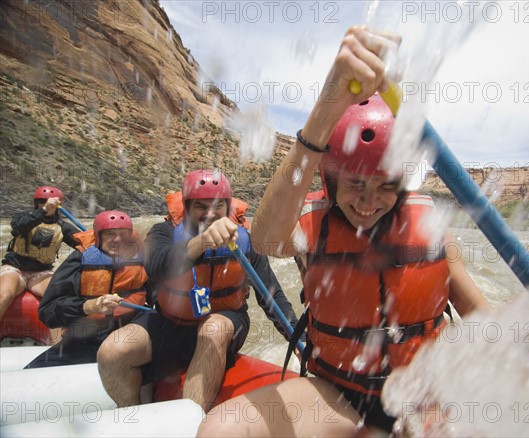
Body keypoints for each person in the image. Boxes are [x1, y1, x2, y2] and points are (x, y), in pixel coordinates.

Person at [197, 27, 492, 437]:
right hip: (335, 392)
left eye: (385, 185)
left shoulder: (432, 229)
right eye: (355, 183)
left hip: (422, 392)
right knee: (221, 429)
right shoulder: (311, 226)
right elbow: (264, 240)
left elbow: (481, 316)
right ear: (331, 180)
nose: (369, 202)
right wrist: (327, 106)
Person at [97, 169, 299, 412]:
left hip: (225, 323)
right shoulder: (164, 233)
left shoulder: (247, 241)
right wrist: (201, 242)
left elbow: (271, 296)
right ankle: (133, 417)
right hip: (170, 322)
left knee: (213, 328)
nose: (210, 214)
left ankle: (188, 425)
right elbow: (156, 266)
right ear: (187, 206)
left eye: (217, 206)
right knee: (112, 351)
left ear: (228, 206)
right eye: (201, 207)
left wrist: (298, 340)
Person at [25, 210, 149, 368]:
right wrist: (89, 306)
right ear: (98, 237)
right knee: (33, 372)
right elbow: (49, 311)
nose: (118, 240)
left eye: (123, 234)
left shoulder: (142, 259)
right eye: (110, 234)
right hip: (87, 336)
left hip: (129, 331)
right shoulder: (79, 260)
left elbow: (157, 296)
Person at [0, 186, 80, 321]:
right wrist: (43, 211)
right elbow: (20, 226)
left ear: (58, 205)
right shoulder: (23, 218)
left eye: (47, 202)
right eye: (41, 202)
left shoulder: (63, 227)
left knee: (59, 301)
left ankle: (58, 341)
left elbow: (83, 244)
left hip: (42, 272)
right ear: (36, 203)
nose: (45, 204)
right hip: (15, 268)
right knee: (5, 296)